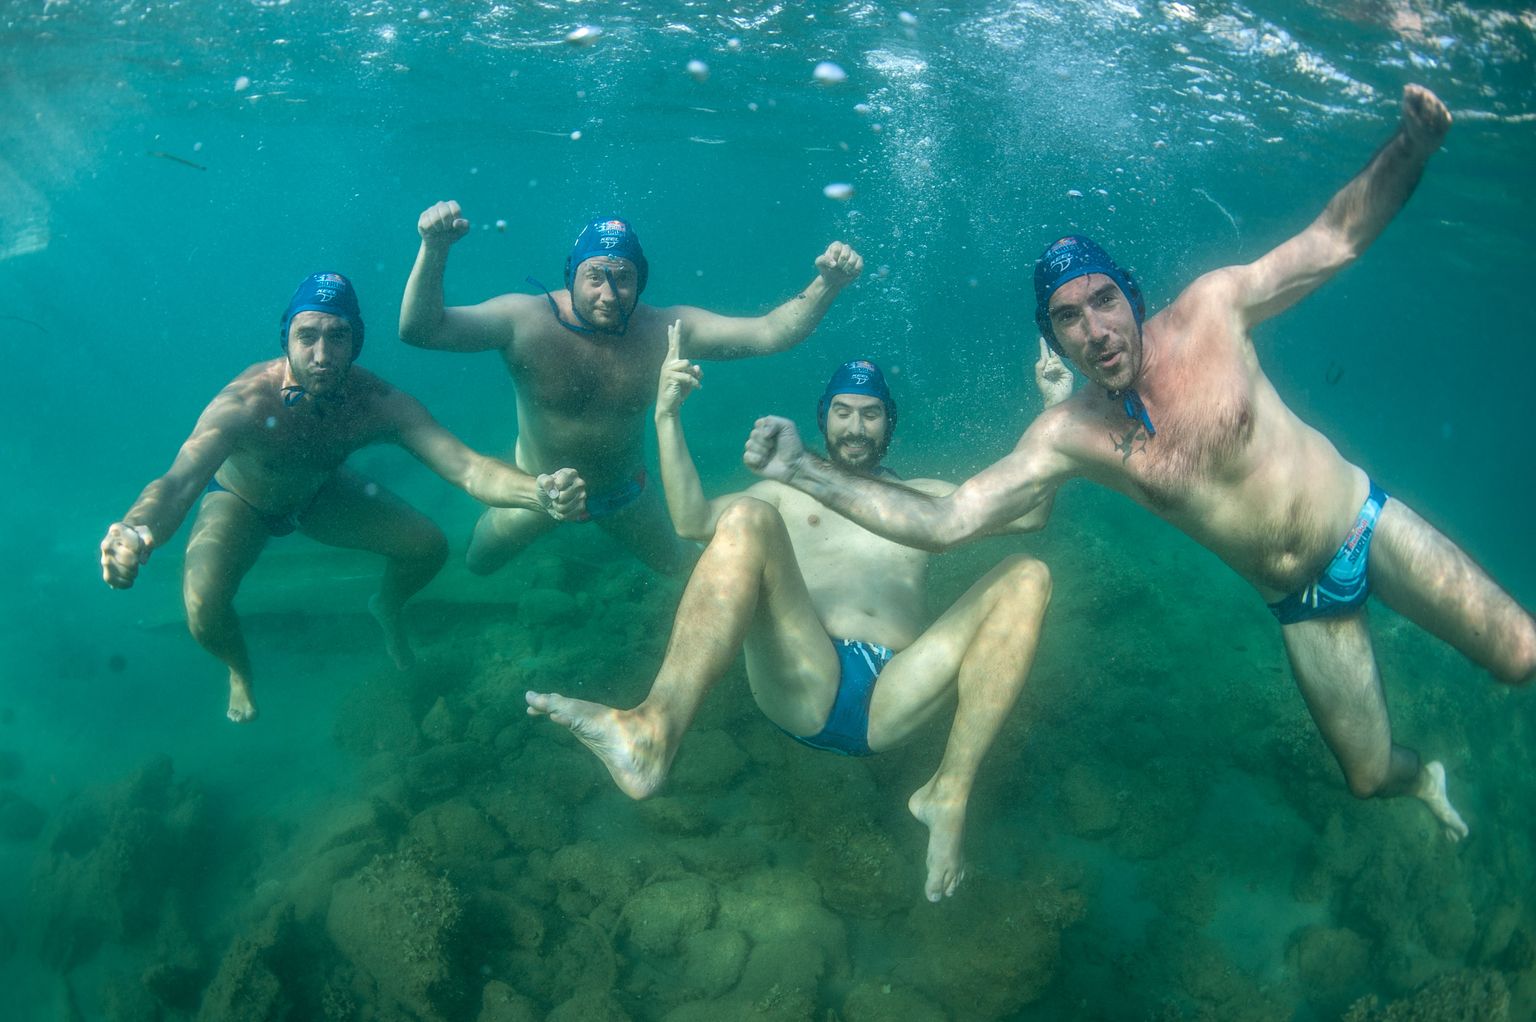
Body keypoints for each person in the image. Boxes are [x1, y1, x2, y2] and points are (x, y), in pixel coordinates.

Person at [742, 84, 1536, 841]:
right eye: (1068, 318)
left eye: (1104, 301)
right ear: (1054, 341)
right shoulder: (1067, 433)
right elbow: (948, 522)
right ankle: (1424, 779)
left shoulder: (1214, 311)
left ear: (1133, 295)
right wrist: (804, 470)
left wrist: (1411, 145)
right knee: (1368, 775)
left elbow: (1335, 238)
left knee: (1520, 654)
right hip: (1300, 602)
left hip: (1363, 524)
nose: (1095, 330)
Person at [526, 325, 1070, 902]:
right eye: (842, 412)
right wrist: (667, 415)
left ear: (889, 423)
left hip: (897, 693)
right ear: (822, 419)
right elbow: (690, 520)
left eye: (870, 414)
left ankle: (948, 793)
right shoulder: (786, 488)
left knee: (1028, 575)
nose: (855, 426)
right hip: (802, 676)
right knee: (747, 518)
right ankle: (654, 729)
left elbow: (1029, 515)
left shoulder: (929, 495)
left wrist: (1056, 407)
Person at [100, 272, 586, 723]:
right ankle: (238, 670)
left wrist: (538, 492)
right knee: (204, 612)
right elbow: (179, 482)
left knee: (428, 547)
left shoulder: (373, 401)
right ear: (286, 339)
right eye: (307, 336)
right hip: (240, 501)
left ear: (356, 341)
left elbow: (467, 466)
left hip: (319, 494)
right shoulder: (245, 402)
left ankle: (387, 605)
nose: (322, 354)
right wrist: (136, 528)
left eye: (337, 336)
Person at [399, 203, 863, 578]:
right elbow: (421, 329)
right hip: (536, 493)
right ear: (571, 275)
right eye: (595, 276)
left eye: (623, 278)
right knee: (477, 565)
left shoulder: (664, 329)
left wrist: (829, 284)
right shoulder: (523, 321)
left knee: (681, 570)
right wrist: (433, 248)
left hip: (624, 496)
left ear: (640, 279)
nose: (609, 294)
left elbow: (770, 334)